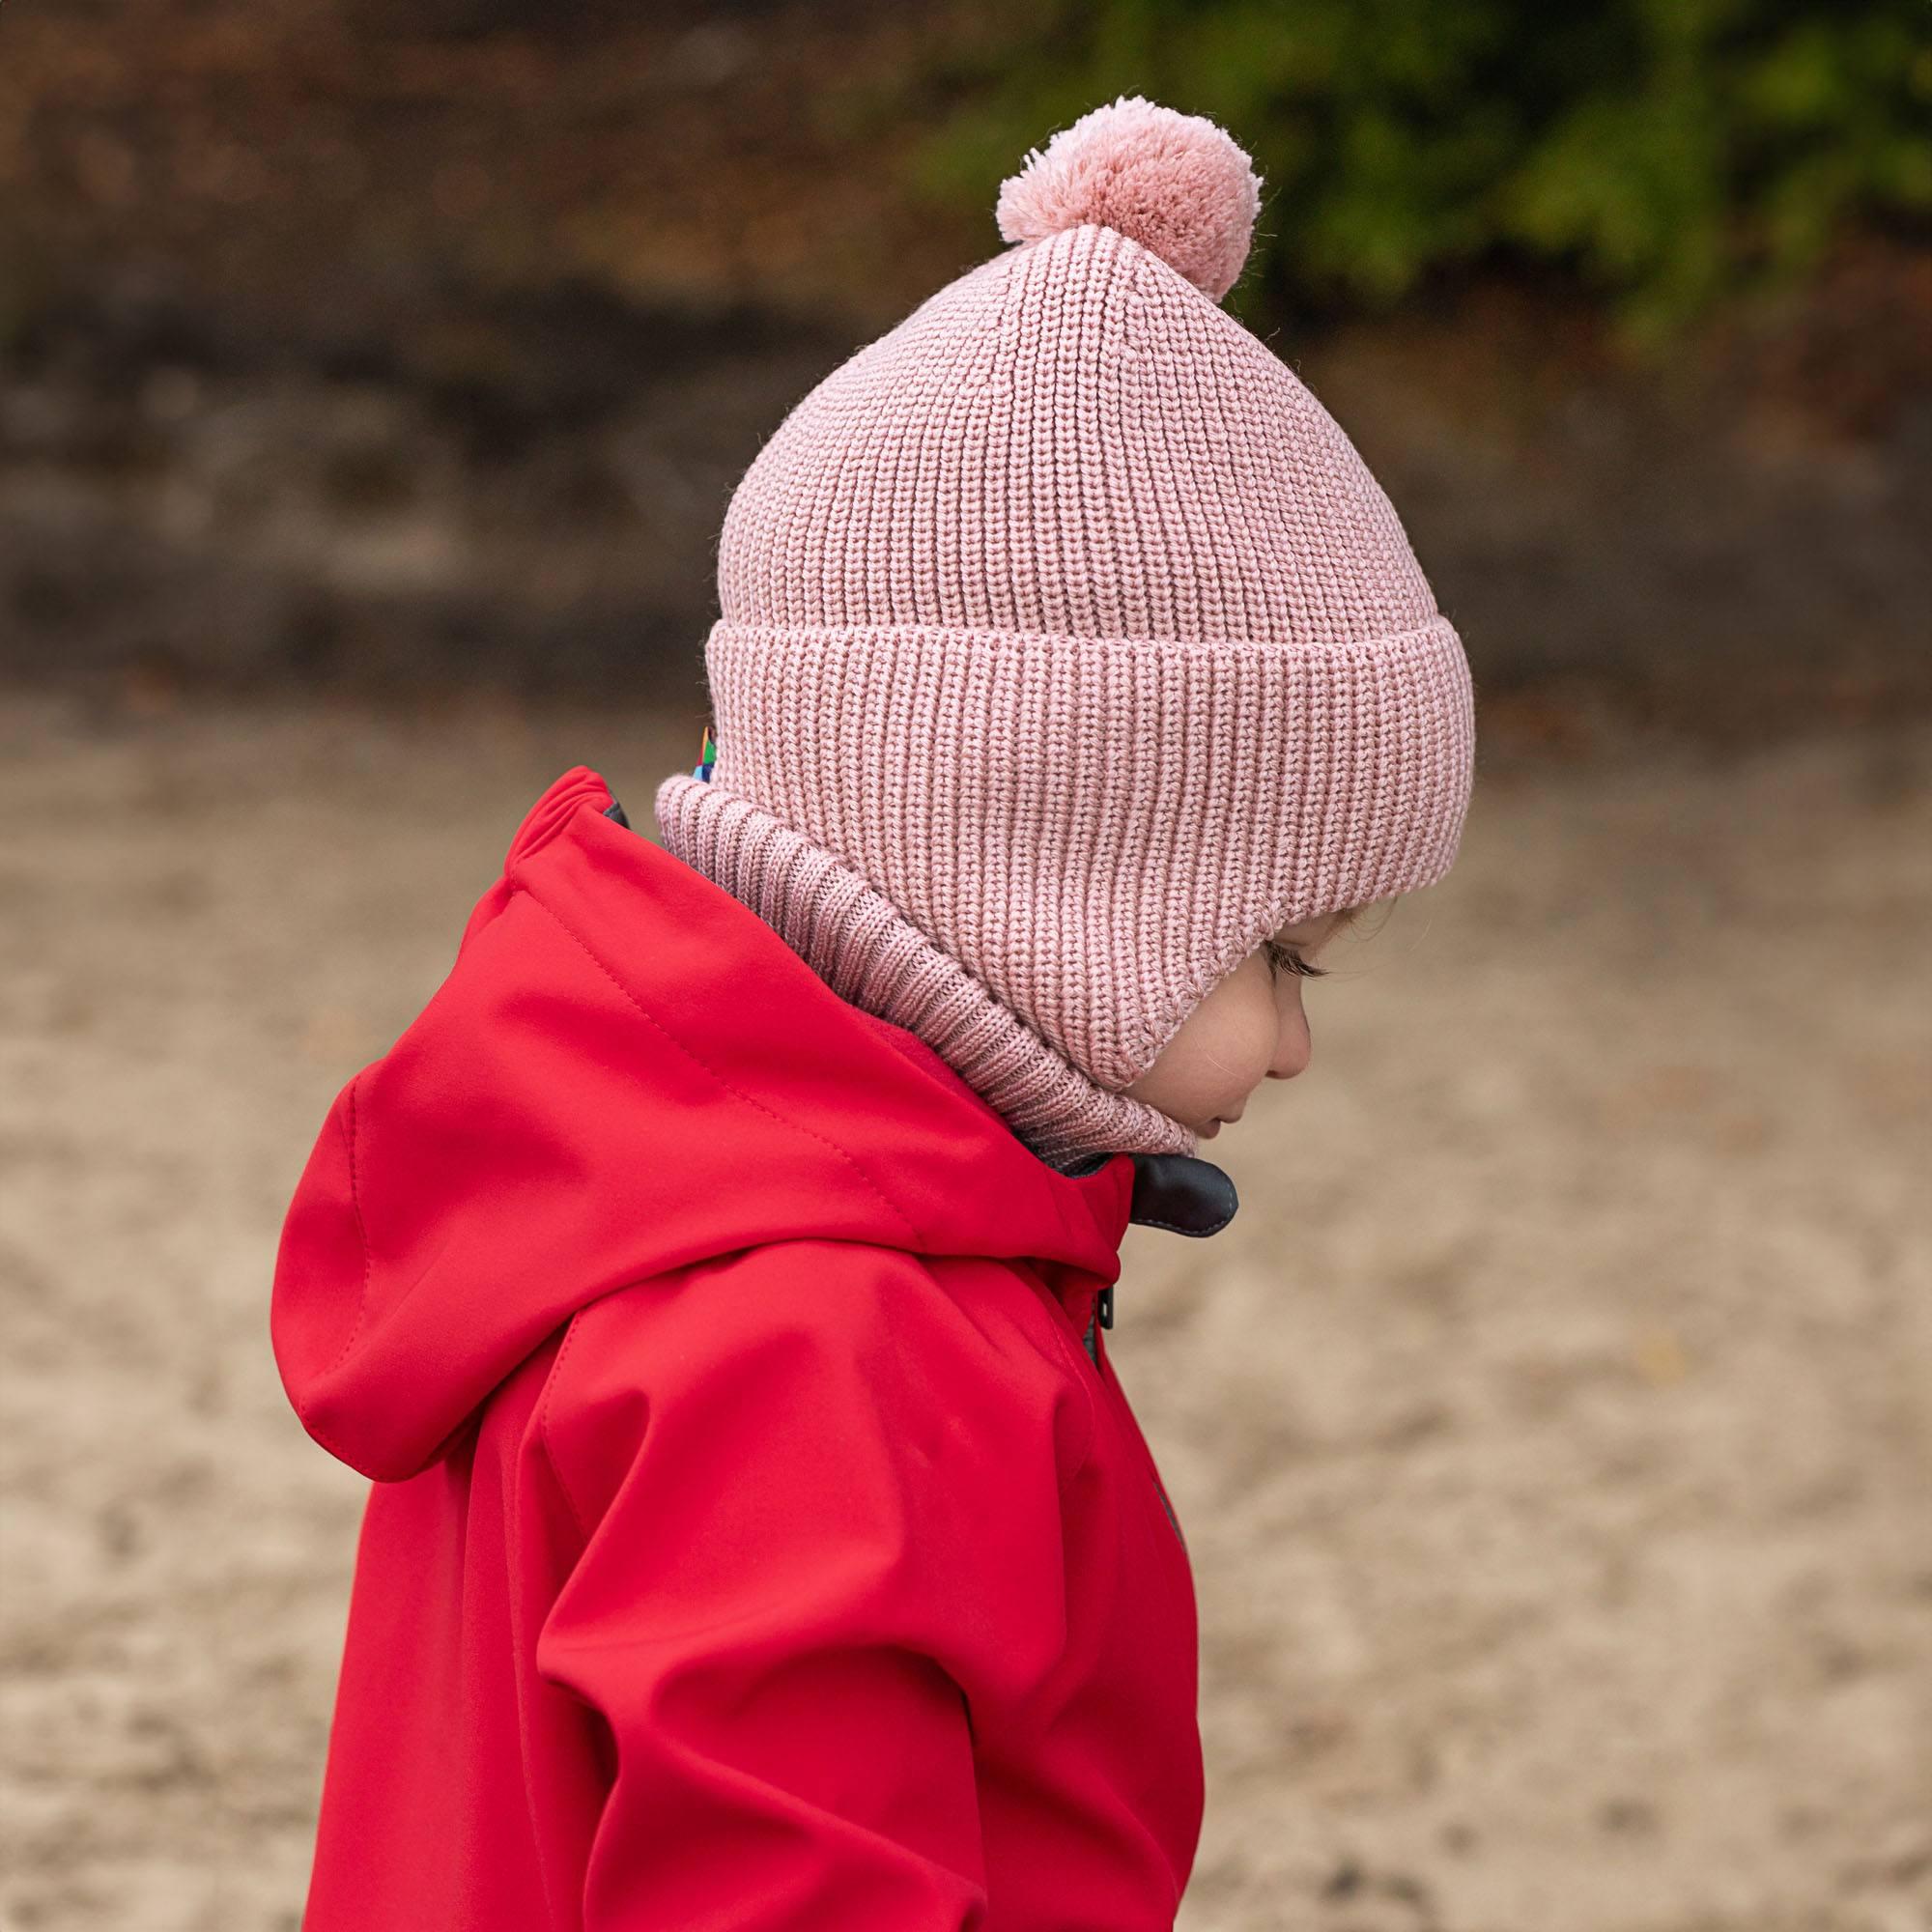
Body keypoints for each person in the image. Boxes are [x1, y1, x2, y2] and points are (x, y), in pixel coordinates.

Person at [270, 95, 1473, 1931]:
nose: (1295, 1043)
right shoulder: (825, 1330)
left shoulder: (643, 1184)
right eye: (1273, 958)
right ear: (1046, 883)